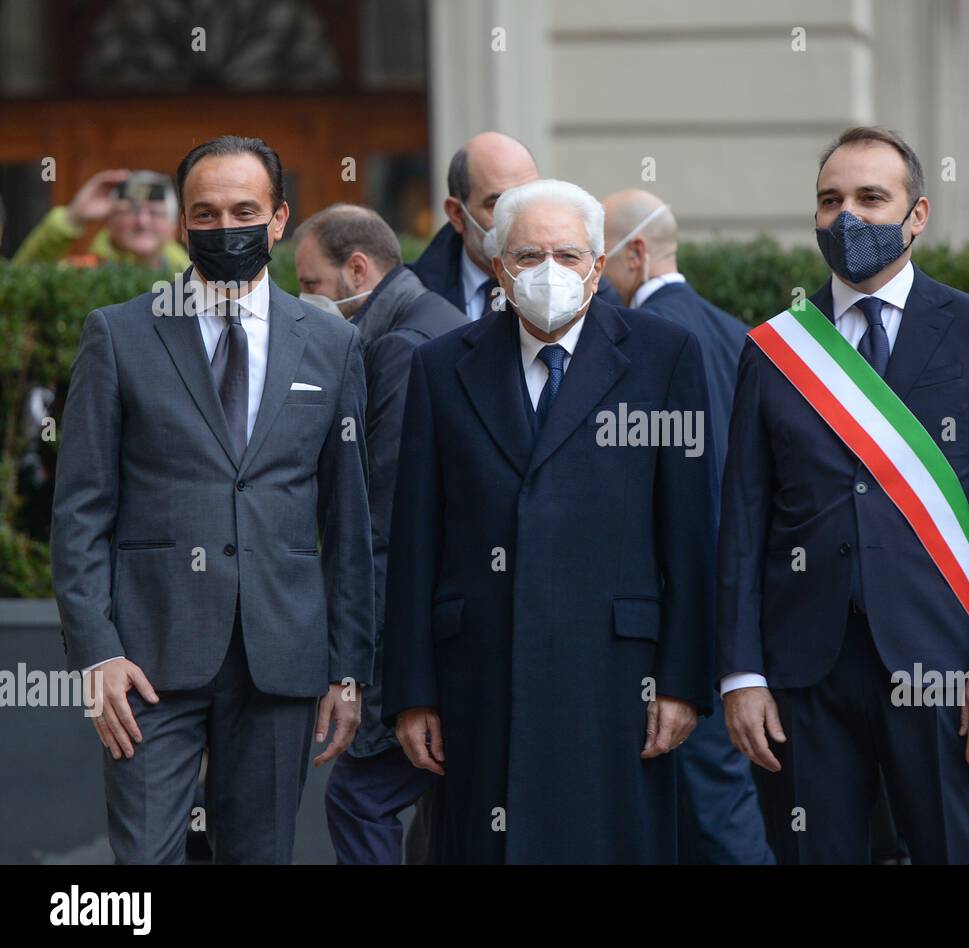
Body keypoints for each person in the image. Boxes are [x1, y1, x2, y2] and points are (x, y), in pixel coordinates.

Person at [716, 126, 969, 864]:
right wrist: (742, 672)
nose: (848, 218)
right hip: (804, 670)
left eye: (872, 198)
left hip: (943, 664)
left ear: (918, 214)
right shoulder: (774, 350)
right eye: (830, 201)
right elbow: (742, 522)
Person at [50, 135, 374, 864]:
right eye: (205, 212)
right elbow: (80, 511)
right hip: (148, 658)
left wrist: (348, 668)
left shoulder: (329, 344)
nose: (225, 227)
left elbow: (347, 520)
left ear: (280, 217)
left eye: (244, 210)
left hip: (281, 656)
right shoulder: (119, 334)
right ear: (182, 225)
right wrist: (97, 651)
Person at [383, 179, 714, 863]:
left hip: (619, 679)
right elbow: (415, 540)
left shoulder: (665, 357)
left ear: (599, 265)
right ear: (499, 268)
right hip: (480, 676)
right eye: (529, 254)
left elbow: (688, 532)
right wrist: (411, 691)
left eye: (568, 254)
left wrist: (683, 680)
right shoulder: (442, 368)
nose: (549, 271)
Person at [602, 188, 772, 864]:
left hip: (677, 617)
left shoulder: (645, 342)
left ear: (636, 253)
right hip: (732, 605)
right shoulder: (734, 330)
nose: (591, 276)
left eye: (598, 258)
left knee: (713, 809)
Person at [294, 203, 467, 865]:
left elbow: (384, 523)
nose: (302, 301)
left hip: (423, 641)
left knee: (357, 798)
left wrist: (359, 671)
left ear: (357, 268)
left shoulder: (399, 347)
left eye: (310, 284)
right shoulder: (432, 321)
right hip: (453, 635)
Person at [410, 131, 620, 318]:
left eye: (529, 199)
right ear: (457, 214)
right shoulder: (414, 294)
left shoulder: (591, 289)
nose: (517, 218)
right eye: (496, 204)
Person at [14, 169, 189, 270]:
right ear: (110, 222)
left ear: (175, 227)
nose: (142, 221)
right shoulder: (83, 273)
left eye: (155, 212)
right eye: (131, 210)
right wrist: (73, 217)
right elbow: (18, 285)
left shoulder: (192, 282)